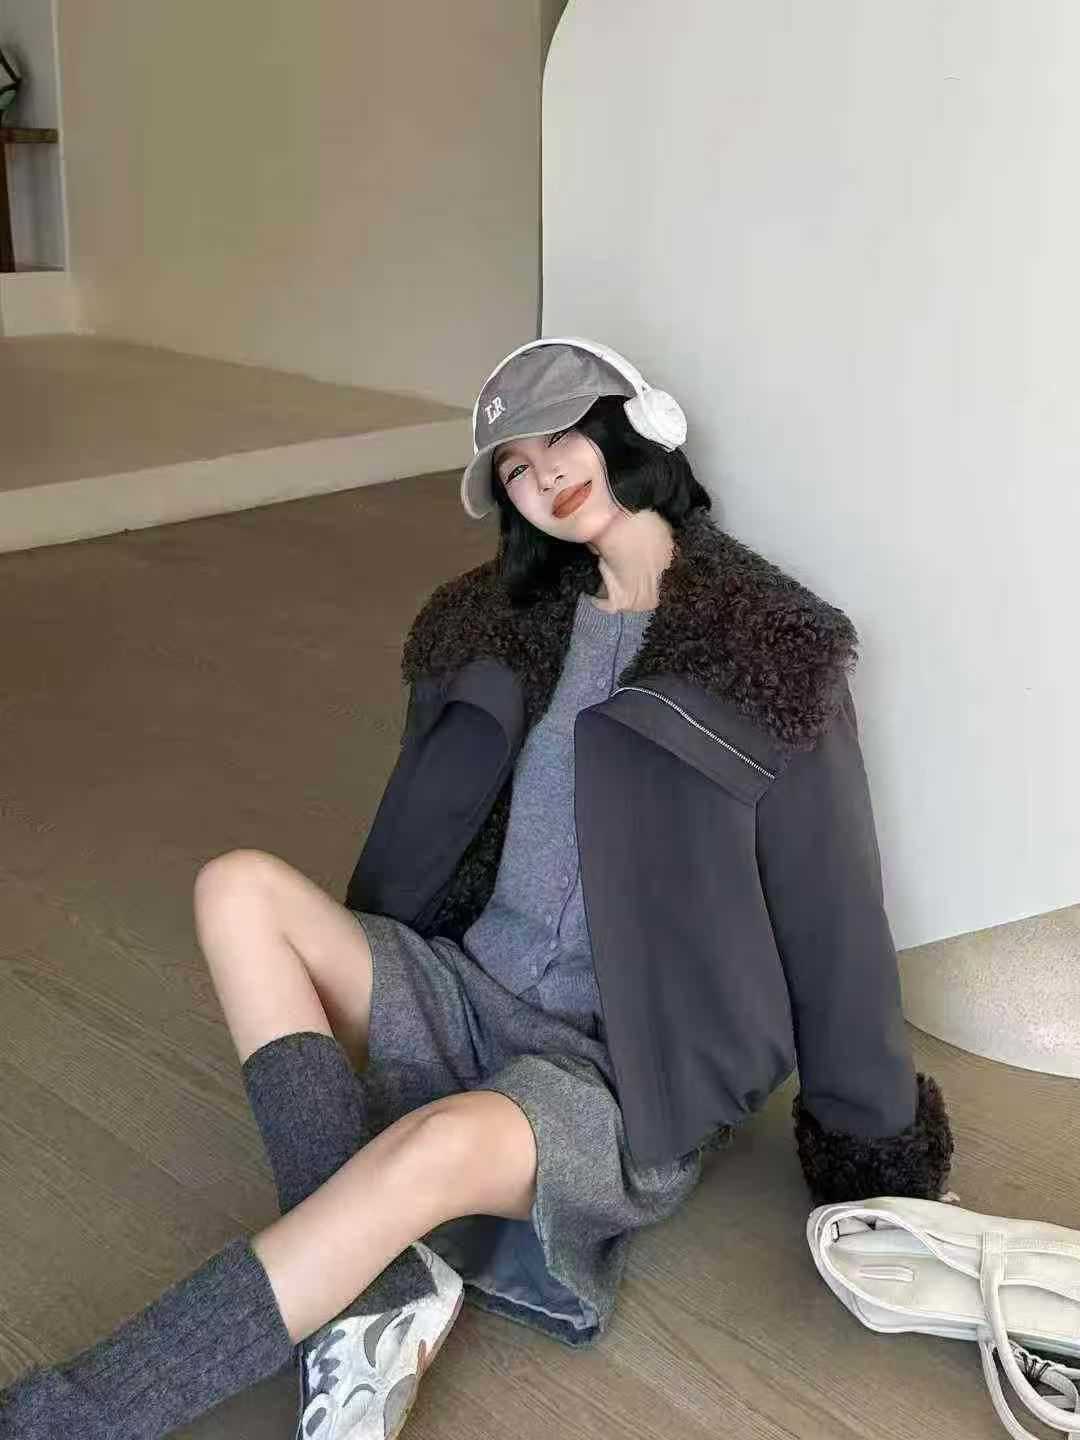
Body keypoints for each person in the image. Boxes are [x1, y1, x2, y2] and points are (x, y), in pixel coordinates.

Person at [0, 338, 955, 1440]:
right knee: (238, 888)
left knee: (433, 1150)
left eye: (561, 439)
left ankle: (62, 1419)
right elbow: (427, 834)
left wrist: (876, 1149)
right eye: (514, 467)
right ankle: (377, 1289)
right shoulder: (495, 626)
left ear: (636, 428)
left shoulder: (768, 652)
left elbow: (835, 919)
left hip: (611, 1075)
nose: (544, 475)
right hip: (461, 990)